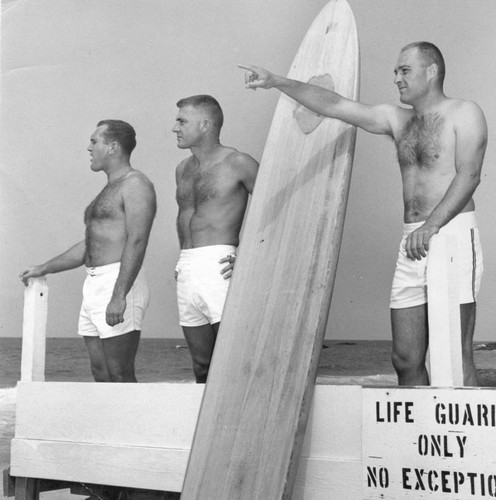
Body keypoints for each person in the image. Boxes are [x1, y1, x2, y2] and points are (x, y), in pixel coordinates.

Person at [240, 41, 487, 386]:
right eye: (395, 71)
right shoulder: (396, 119)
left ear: (431, 71)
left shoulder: (465, 112)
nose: (397, 78)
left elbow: (469, 175)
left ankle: (473, 440)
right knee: (405, 358)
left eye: (405, 70)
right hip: (412, 239)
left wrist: (431, 227)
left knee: (454, 358)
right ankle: (413, 437)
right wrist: (277, 81)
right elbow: (335, 105)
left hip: (450, 234)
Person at [19, 120, 157, 383]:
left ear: (113, 146)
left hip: (119, 280)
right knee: (101, 372)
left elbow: (137, 241)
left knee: (119, 372)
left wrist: (119, 295)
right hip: (94, 284)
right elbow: (89, 246)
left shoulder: (135, 184)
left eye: (95, 142)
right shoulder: (109, 189)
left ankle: (128, 425)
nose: (89, 148)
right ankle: (111, 425)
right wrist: (44, 267)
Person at [173, 95, 259, 383]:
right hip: (187, 267)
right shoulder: (182, 169)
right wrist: (183, 261)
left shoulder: (239, 163)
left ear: (205, 124)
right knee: (201, 366)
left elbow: (276, 212)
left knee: (234, 361)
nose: (175, 128)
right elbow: (185, 216)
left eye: (182, 121)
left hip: (220, 264)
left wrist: (248, 258)